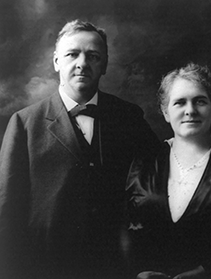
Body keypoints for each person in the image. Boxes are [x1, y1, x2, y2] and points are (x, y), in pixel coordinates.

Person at [0, 20, 159, 279]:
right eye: (72, 54)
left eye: (93, 56)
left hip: (116, 266)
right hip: (47, 267)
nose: (82, 63)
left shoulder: (129, 117)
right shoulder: (24, 123)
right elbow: (7, 213)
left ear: (104, 64)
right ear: (56, 62)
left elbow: (157, 186)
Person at [124, 63, 211, 279]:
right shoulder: (145, 162)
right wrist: (136, 272)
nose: (190, 110)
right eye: (179, 102)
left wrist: (207, 272)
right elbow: (124, 225)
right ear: (166, 113)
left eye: (200, 101)